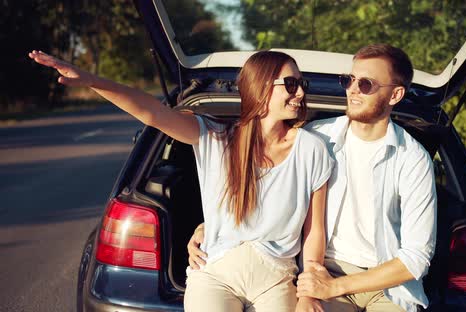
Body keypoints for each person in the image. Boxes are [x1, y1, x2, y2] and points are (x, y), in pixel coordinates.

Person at [29, 50, 333, 312]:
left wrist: (307, 291)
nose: (301, 93)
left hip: (275, 278)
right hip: (215, 273)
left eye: (301, 84)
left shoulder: (312, 149)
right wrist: (91, 80)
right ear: (261, 88)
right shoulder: (217, 139)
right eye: (291, 85)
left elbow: (314, 230)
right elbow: (151, 112)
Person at [188, 44, 437, 312]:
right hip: (323, 271)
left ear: (395, 94)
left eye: (365, 84)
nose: (352, 89)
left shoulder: (413, 159)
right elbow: (269, 184)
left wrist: (335, 287)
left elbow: (416, 257)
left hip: (385, 285)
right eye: (349, 80)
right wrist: (210, 226)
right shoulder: (316, 138)